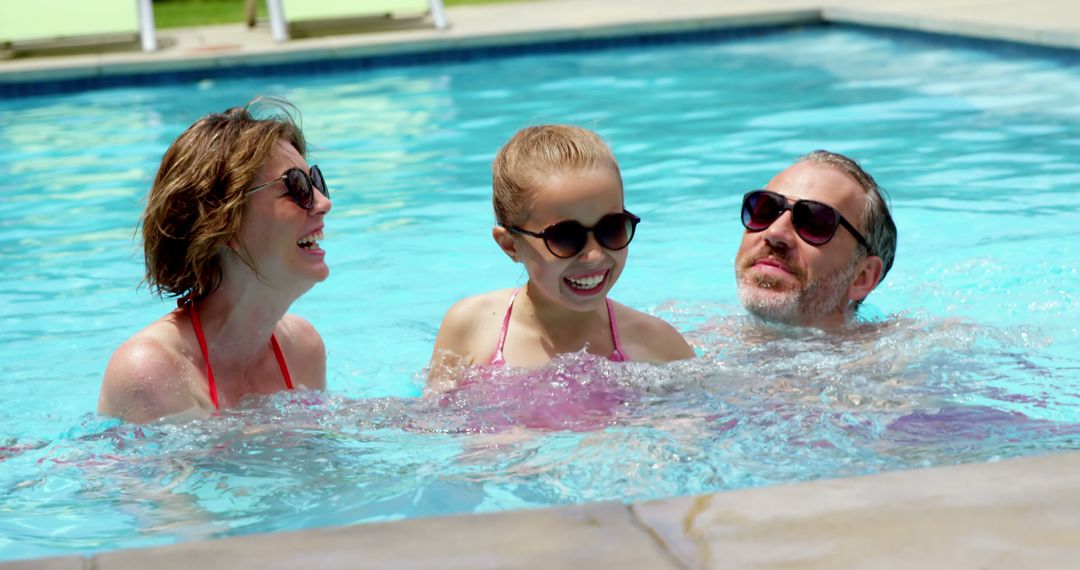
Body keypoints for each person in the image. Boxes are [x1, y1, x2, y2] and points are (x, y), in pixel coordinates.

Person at [99, 99, 332, 423]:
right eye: (297, 187)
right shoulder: (151, 371)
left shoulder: (302, 350)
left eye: (316, 181)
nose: (323, 202)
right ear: (224, 222)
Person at [429, 125, 694, 384]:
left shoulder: (657, 345)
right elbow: (434, 422)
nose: (594, 255)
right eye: (566, 237)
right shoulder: (471, 326)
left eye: (611, 229)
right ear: (510, 245)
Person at [734, 150, 897, 329]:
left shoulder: (906, 353)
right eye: (765, 210)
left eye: (815, 221)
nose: (774, 233)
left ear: (862, 277)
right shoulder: (703, 344)